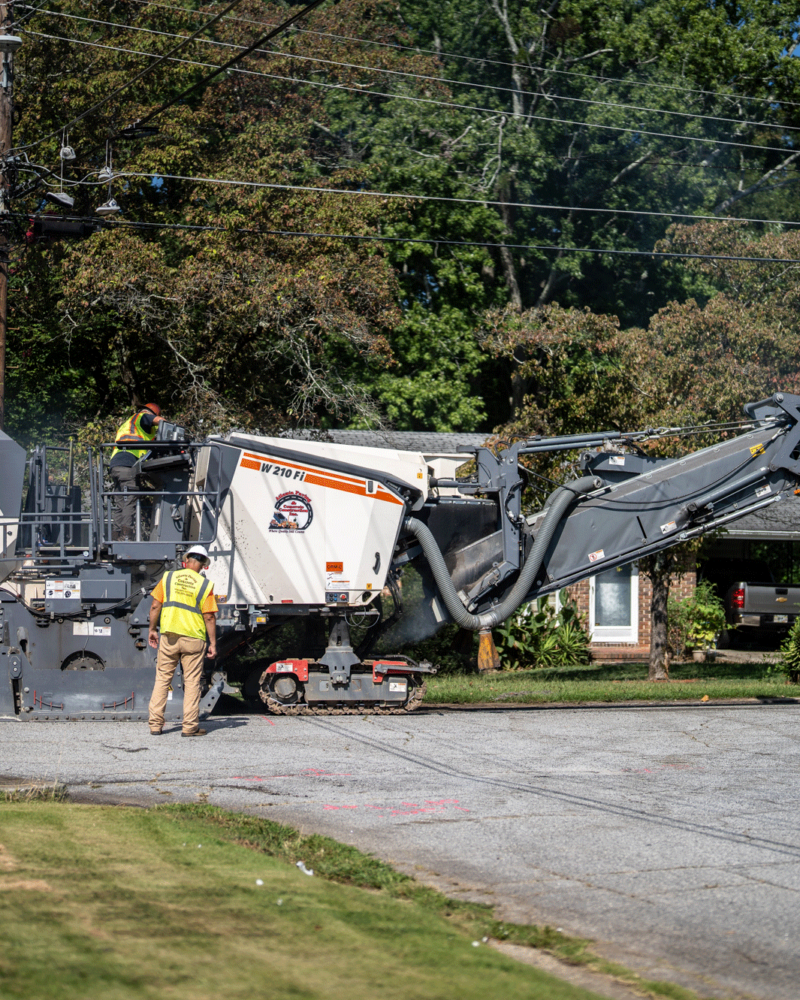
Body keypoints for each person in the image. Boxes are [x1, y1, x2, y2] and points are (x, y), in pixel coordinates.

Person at [148, 544, 218, 737]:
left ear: (185, 560)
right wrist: (212, 643)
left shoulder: (168, 578)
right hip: (193, 639)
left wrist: (152, 629)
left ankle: (155, 725)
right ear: (204, 565)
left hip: (169, 637)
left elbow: (155, 606)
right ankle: (189, 728)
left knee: (162, 680)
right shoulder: (205, 585)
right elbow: (210, 617)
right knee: (192, 683)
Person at [109, 403, 163, 540]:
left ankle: (115, 536)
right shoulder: (142, 417)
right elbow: (157, 421)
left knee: (121, 503)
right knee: (129, 501)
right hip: (127, 464)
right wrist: (172, 427)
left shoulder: (130, 424)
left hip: (116, 465)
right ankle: (126, 537)